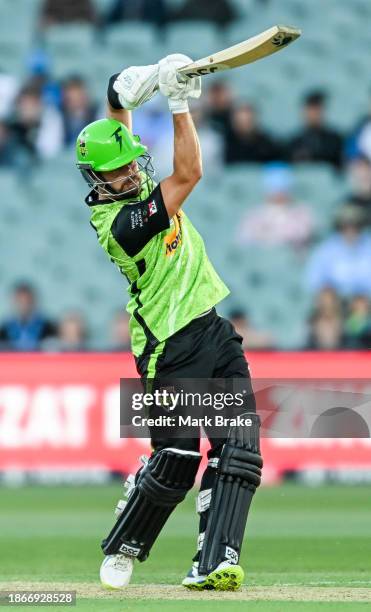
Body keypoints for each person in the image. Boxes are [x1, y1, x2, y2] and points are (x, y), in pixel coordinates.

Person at [76, 56, 262, 591]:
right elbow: (190, 173)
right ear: (96, 179)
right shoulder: (120, 225)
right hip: (167, 348)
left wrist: (126, 85)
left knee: (239, 446)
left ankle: (215, 560)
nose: (130, 172)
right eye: (116, 171)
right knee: (178, 458)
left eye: (132, 163)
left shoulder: (130, 175)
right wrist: (179, 102)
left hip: (211, 328)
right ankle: (126, 540)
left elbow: (116, 112)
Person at [237, 164, 315, 248]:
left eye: (282, 189)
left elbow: (304, 237)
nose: (278, 194)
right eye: (274, 189)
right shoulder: (255, 215)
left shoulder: (301, 212)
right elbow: (244, 240)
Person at [306, 204, 371, 297]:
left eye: (356, 225)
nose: (351, 230)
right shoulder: (327, 249)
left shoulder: (368, 245)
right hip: (337, 301)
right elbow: (313, 279)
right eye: (346, 225)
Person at [288, 91, 343, 169]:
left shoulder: (335, 141)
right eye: (311, 110)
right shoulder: (294, 143)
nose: (314, 115)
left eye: (317, 110)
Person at [0, 283, 57, 351]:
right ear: (14, 302)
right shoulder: (5, 329)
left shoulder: (48, 328)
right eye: (20, 301)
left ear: (33, 301)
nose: (23, 305)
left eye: (27, 301)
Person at [61, 76, 97, 146]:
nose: (76, 101)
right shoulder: (58, 117)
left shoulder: (98, 114)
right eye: (72, 98)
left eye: (78, 95)